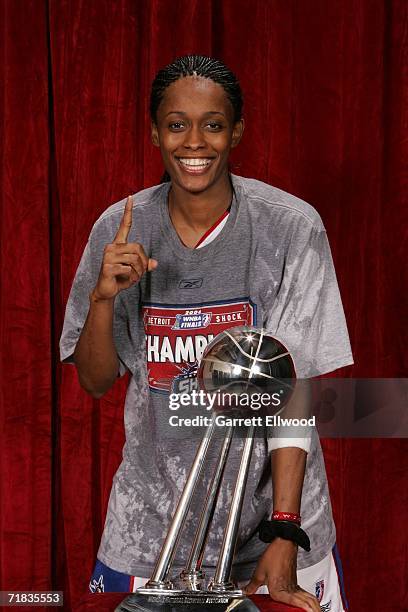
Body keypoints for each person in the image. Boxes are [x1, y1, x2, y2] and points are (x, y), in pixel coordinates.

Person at [60, 55, 353, 611]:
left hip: (270, 521)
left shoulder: (290, 226)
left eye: (213, 124)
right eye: (177, 124)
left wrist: (285, 529)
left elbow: (295, 392)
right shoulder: (120, 229)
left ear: (236, 130)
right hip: (155, 529)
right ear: (154, 132)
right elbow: (96, 381)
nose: (194, 142)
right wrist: (102, 299)